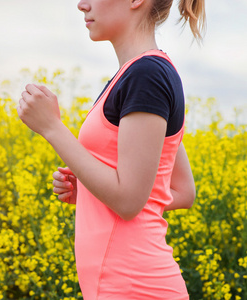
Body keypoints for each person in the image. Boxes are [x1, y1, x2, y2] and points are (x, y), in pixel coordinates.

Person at [16, 0, 205, 298]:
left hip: (134, 288)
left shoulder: (147, 77)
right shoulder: (139, 75)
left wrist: (52, 128)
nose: (81, 5)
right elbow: (180, 190)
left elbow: (129, 200)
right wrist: (91, 193)